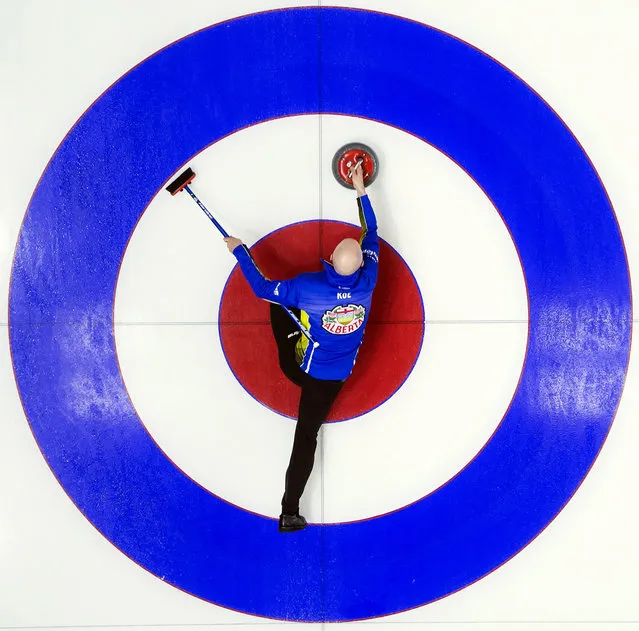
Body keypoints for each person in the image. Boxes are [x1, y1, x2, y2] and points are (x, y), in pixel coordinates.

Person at [223, 162, 379, 532]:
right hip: (338, 375)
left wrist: (240, 251)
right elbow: (371, 230)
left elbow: (263, 289)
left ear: (330, 265)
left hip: (304, 369)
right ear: (360, 265)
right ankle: (288, 513)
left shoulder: (310, 286)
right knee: (306, 437)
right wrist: (360, 188)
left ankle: (290, 508)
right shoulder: (369, 278)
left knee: (280, 306)